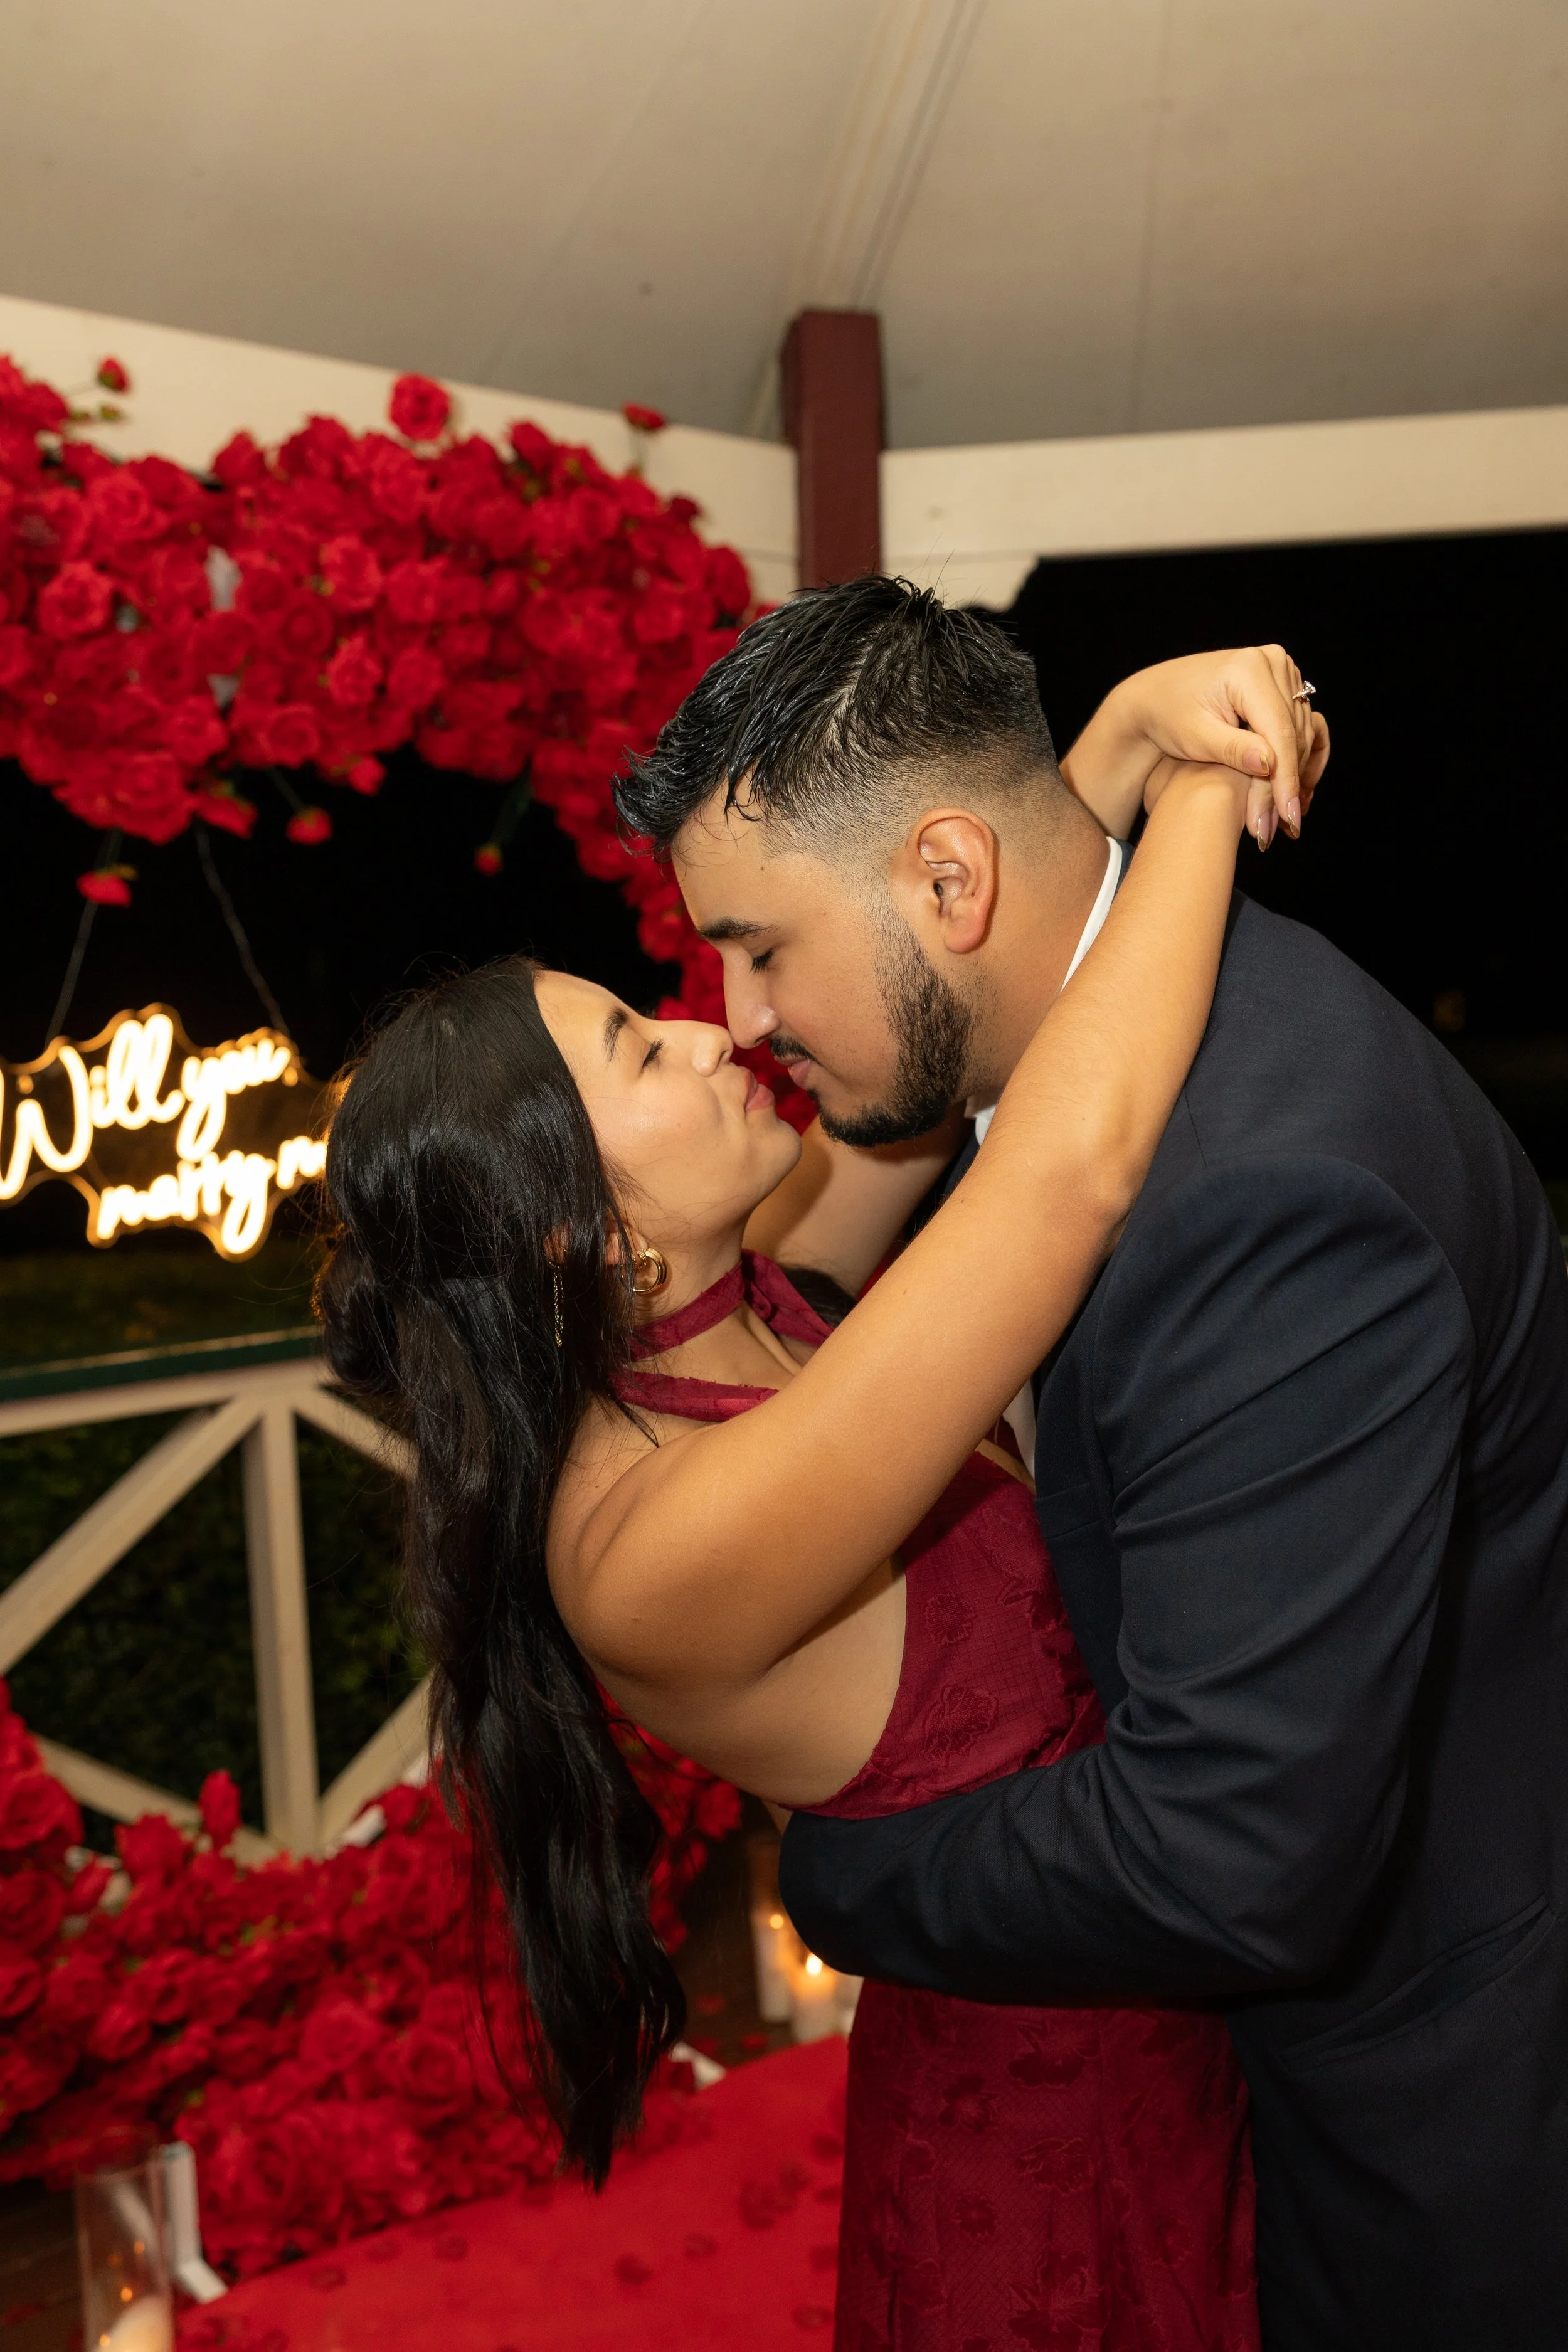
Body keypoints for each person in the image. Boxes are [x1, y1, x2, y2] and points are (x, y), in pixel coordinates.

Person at [612, 578, 1568, 2352]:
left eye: (756, 944)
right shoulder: (1069, 1062)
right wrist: (1131, 758)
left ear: (951, 884)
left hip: (1421, 2120)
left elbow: (1235, 1848)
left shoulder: (1260, 1190)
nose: (736, 1010)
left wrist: (833, 1874)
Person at [317, 659, 1286, 2349]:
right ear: (585, 1235)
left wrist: (1107, 758)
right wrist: (1207, 795)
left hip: (1165, 2021)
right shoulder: (645, 1545)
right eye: (639, 1041)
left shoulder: (756, 1291)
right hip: (1045, 2138)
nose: (715, 1022)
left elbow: (946, 1024)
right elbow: (1066, 1164)